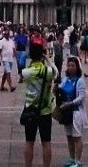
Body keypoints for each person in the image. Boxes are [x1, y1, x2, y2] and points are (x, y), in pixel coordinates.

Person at [21, 39, 58, 167]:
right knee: (46, 142)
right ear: (42, 54)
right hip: (45, 110)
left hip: (30, 110)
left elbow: (25, 73)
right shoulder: (48, 71)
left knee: (29, 141)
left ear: (30, 55)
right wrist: (47, 59)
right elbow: (56, 72)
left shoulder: (26, 72)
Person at [56, 55, 88, 167]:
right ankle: (71, 158)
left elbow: (81, 98)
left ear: (77, 67)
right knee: (69, 136)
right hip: (66, 113)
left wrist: (70, 103)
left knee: (77, 136)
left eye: (73, 65)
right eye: (69, 65)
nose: (70, 67)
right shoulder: (65, 80)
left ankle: (78, 160)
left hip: (76, 112)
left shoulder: (80, 81)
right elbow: (60, 89)